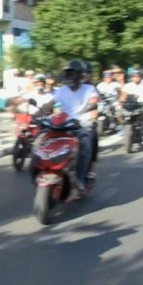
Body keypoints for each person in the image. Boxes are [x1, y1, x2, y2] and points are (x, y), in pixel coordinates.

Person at [40, 60, 99, 196]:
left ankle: (81, 178)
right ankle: (41, 169)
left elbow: (93, 102)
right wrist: (39, 113)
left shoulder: (89, 89)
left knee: (86, 143)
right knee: (41, 139)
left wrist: (90, 113)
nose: (69, 77)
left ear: (79, 75)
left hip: (81, 125)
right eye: (67, 73)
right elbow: (51, 104)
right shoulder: (61, 90)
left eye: (72, 73)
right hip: (62, 124)